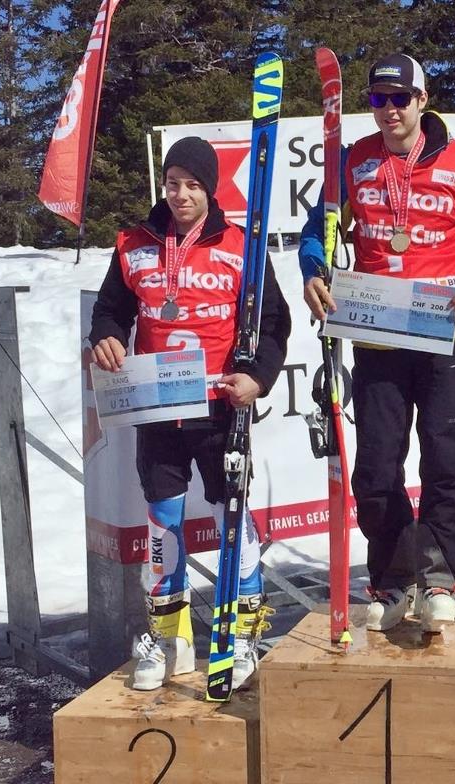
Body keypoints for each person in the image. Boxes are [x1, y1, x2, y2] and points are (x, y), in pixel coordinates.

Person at [298, 54, 455, 633]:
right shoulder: (351, 165)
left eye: (400, 99)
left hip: (447, 334)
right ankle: (395, 579)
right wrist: (314, 271)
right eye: (378, 100)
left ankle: (443, 573)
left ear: (423, 101)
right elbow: (315, 232)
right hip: (377, 339)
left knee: (448, 460)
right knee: (374, 468)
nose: (390, 110)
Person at [90, 136, 292, 690]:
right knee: (164, 525)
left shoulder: (240, 247)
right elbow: (112, 308)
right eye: (173, 182)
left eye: (193, 184)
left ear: (210, 189)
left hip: (220, 406)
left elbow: (274, 321)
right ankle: (170, 636)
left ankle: (242, 633)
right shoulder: (134, 243)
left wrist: (258, 376)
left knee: (232, 520)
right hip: (159, 407)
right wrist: (106, 336)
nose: (181, 194)